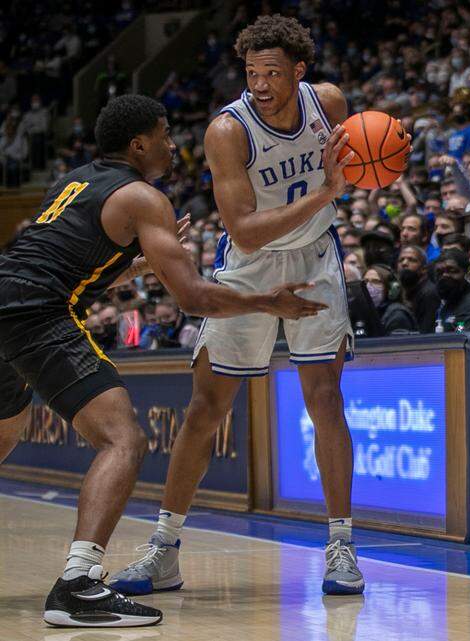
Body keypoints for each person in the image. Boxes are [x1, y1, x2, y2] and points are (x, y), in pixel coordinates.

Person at [0, 94, 325, 627]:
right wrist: (268, 301)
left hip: (9, 297)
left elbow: (80, 267)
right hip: (36, 313)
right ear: (139, 143)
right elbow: (194, 298)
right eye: (166, 134)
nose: (174, 146)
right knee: (124, 440)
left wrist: (140, 268)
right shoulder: (143, 198)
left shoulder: (74, 181)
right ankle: (79, 585)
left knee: (6, 432)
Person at [108, 16, 369, 599]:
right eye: (252, 73)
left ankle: (342, 546)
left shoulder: (328, 102)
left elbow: (361, 163)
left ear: (299, 72)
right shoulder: (229, 131)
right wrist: (328, 192)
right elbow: (245, 232)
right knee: (206, 405)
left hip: (315, 258)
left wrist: (371, 166)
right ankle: (164, 549)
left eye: (272, 72)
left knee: (325, 397)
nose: (260, 84)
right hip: (252, 265)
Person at [396, 245, 440, 333]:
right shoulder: (403, 291)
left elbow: (426, 333)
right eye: (401, 260)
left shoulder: (429, 294)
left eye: (412, 260)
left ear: (424, 269)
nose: (404, 263)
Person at [434, 248, 470, 332]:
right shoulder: (446, 302)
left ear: (467, 273)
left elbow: (460, 334)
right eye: (439, 272)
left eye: (452, 271)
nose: (445, 276)